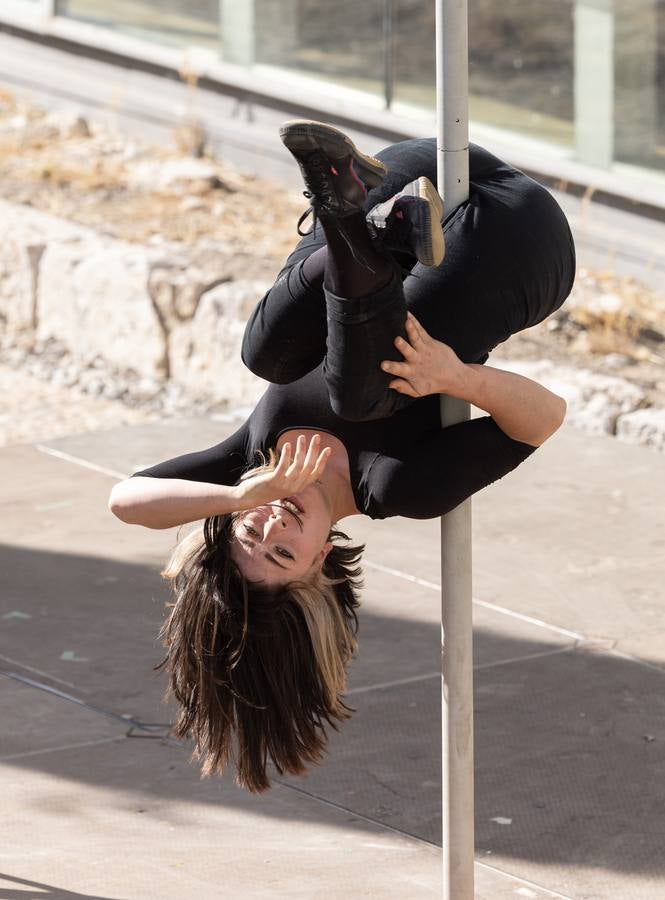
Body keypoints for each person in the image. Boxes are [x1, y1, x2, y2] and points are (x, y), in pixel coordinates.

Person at [108, 121, 575, 793]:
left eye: (250, 535)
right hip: (511, 241)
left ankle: (364, 224)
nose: (270, 527)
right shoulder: (398, 485)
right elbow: (543, 419)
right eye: (282, 553)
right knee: (359, 398)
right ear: (321, 566)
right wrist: (455, 379)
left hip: (411, 184)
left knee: (265, 356)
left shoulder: (248, 464)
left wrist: (237, 497)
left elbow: (125, 501)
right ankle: (357, 224)